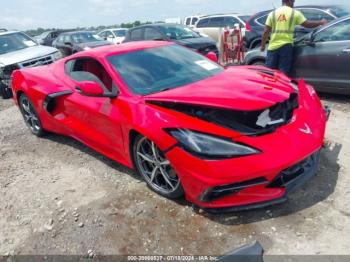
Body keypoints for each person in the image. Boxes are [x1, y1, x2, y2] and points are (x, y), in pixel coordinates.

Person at [260, 0, 327, 75]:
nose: (293, 3)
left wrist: (262, 46)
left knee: (270, 73)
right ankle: (282, 86)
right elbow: (307, 24)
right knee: (283, 74)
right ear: (289, 1)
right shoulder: (294, 13)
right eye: (293, 1)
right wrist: (321, 22)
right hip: (286, 47)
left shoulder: (272, 14)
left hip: (272, 47)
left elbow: (266, 31)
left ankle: (272, 86)